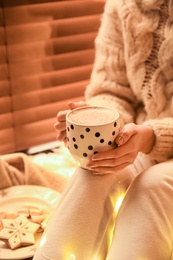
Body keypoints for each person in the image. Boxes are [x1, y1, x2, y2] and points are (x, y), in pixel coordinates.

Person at [33, 0, 173, 259]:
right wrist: (106, 122)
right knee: (96, 169)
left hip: (155, 144)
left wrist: (153, 136)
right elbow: (111, 89)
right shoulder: (123, 5)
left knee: (151, 189)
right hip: (143, 140)